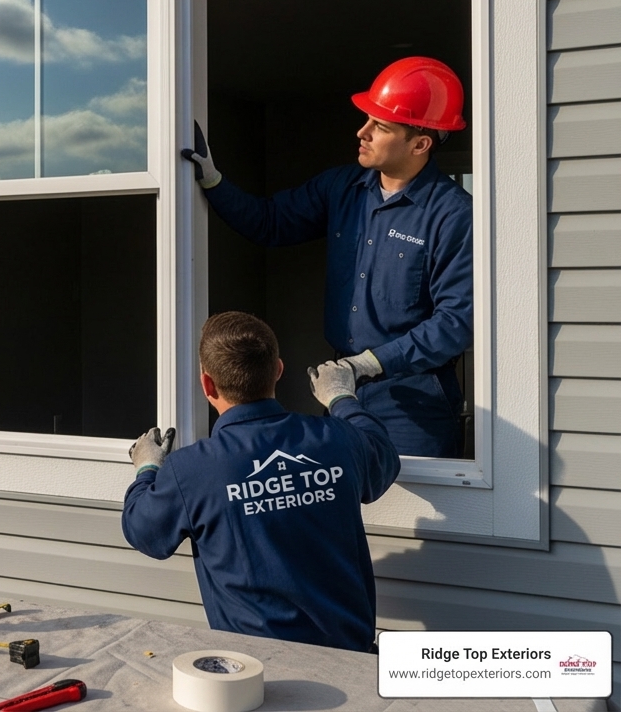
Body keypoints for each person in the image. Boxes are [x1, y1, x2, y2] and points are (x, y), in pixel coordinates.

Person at [184, 57, 472, 457]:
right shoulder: (343, 186)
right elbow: (269, 223)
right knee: (348, 506)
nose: (362, 131)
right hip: (343, 389)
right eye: (367, 119)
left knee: (415, 516)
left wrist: (369, 363)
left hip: (414, 403)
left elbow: (455, 322)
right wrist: (213, 181)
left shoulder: (453, 214)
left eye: (380, 126)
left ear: (420, 143)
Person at [122, 311, 400, 652]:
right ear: (279, 370)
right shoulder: (336, 440)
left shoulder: (193, 469)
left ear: (207, 384)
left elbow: (145, 532)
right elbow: (383, 455)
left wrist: (147, 468)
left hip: (259, 671)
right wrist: (341, 398)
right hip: (351, 658)